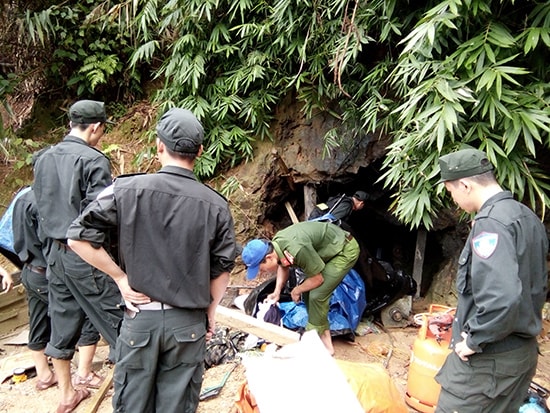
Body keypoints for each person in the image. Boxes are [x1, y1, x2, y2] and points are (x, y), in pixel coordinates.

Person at [67, 107, 237, 412]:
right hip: (188, 324)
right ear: (200, 151)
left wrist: (120, 278)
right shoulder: (216, 205)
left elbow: (77, 237)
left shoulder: (124, 189)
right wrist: (210, 311)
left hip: (140, 319)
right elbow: (222, 267)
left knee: (132, 405)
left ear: (159, 145)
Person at [434, 148, 549, 412]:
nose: (453, 199)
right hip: (521, 355)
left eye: (451, 191)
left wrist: (473, 341)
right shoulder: (527, 217)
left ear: (465, 185)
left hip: (489, 363)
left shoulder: (491, 224)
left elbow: (502, 297)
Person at [32, 100, 124, 412]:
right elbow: (98, 217)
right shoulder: (93, 161)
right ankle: (134, 394)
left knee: (61, 321)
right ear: (96, 127)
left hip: (53, 254)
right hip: (84, 253)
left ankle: (67, 394)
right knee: (120, 320)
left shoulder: (44, 158)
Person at [12, 187, 104, 392]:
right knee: (88, 315)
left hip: (29, 270)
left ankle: (44, 374)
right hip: (49, 272)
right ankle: (84, 373)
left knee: (37, 321)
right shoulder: (47, 202)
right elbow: (55, 241)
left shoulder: (22, 197)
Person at [241, 221, 360, 355]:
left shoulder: (296, 249)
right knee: (309, 294)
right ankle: (325, 341)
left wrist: (297, 290)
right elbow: (283, 265)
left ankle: (315, 340)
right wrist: (277, 291)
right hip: (328, 249)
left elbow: (317, 279)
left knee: (317, 294)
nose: (261, 272)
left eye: (260, 269)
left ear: (268, 258)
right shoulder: (277, 247)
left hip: (344, 250)